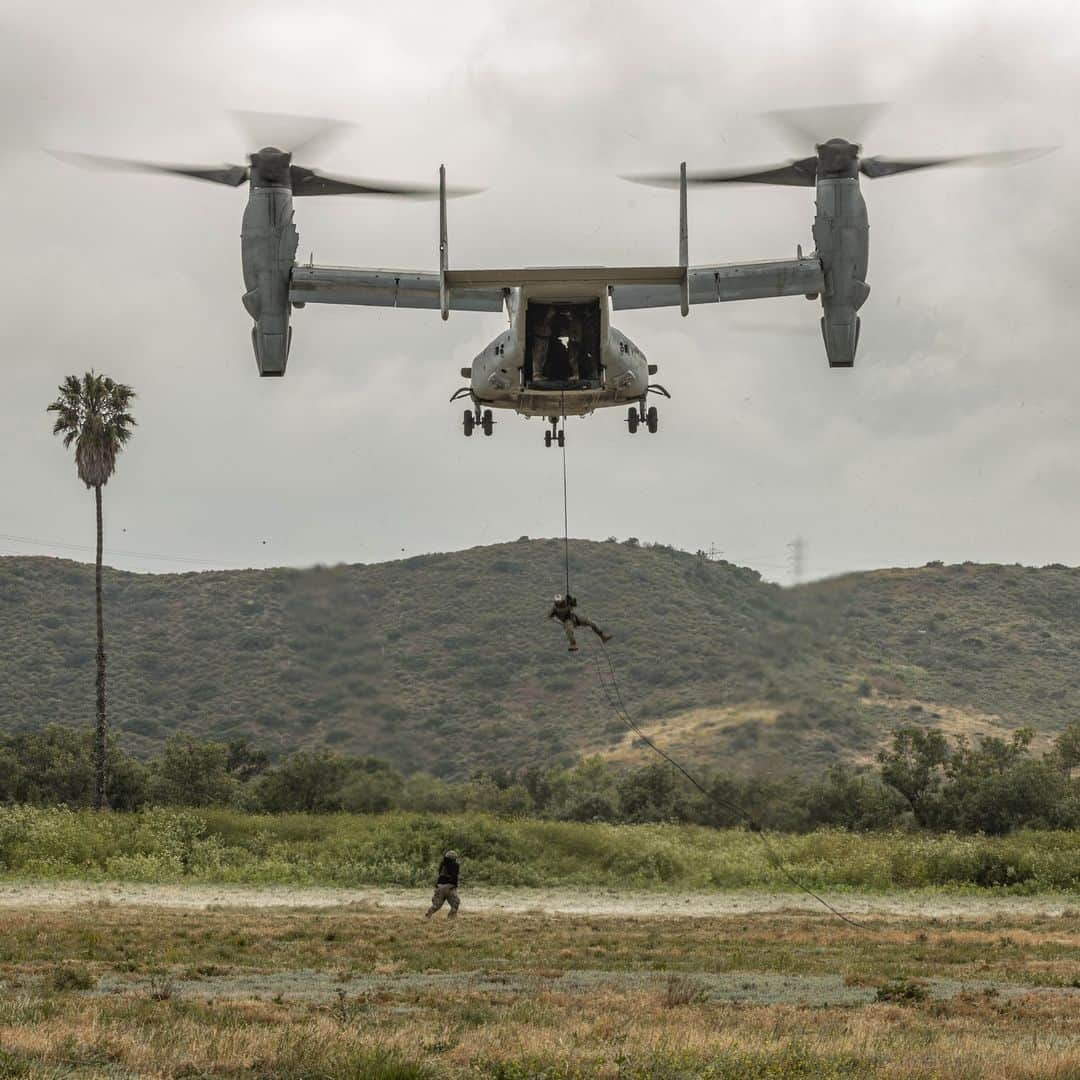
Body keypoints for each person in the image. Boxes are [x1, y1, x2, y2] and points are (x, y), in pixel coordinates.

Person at [425, 849, 461, 919]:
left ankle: (428, 915)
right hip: (449, 887)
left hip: (440, 886)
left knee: (436, 905)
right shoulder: (455, 865)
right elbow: (455, 876)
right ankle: (451, 918)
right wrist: (455, 885)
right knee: (455, 904)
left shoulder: (442, 864)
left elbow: (440, 874)